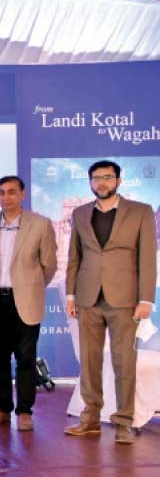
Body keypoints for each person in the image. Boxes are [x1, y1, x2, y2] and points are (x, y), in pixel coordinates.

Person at [64, 160, 156, 444]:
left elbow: (147, 257)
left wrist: (145, 299)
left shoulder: (140, 212)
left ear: (118, 180)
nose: (101, 183)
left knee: (123, 362)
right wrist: (70, 294)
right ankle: (90, 419)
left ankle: (124, 422)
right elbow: (74, 257)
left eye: (107, 177)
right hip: (88, 297)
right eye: (96, 178)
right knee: (89, 363)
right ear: (90, 182)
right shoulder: (80, 214)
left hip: (125, 299)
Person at [0, 176, 57, 431]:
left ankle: (24, 411)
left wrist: (28, 285)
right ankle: (1, 407)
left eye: (11, 192)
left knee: (25, 358)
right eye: (1, 192)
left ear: (22, 194)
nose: (5, 197)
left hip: (27, 300)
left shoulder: (41, 224)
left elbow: (49, 265)